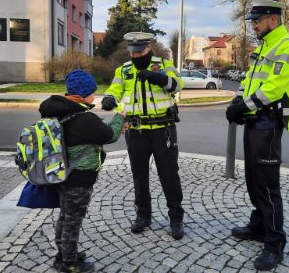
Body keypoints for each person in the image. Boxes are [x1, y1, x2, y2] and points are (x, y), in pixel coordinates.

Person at [225, 0, 289, 271]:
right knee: (253, 179)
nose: (254, 26)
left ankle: (275, 243)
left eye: (257, 20)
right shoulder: (264, 47)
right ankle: (259, 226)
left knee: (268, 185)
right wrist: (236, 103)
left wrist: (243, 107)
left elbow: (274, 87)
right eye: (252, 21)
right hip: (254, 121)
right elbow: (248, 81)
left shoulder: (288, 46)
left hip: (268, 124)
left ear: (273, 18)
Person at [101, 32, 185, 240]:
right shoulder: (124, 69)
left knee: (169, 174)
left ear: (149, 48)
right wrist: (109, 98)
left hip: (162, 129)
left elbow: (178, 85)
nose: (136, 55)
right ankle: (143, 215)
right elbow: (115, 88)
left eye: (140, 51)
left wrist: (160, 78)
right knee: (139, 175)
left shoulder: (163, 65)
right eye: (133, 52)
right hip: (136, 130)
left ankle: (176, 218)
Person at [39, 69, 125, 273]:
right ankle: (69, 263)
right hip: (79, 178)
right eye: (92, 91)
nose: (94, 96)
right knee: (73, 221)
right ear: (83, 93)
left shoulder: (59, 111)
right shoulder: (83, 118)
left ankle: (63, 254)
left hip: (62, 173)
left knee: (65, 216)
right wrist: (120, 117)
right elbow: (109, 135)